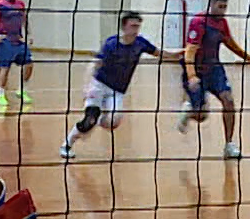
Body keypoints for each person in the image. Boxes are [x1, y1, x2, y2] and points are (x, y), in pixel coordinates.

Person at [61, 11, 174, 161]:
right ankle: (67, 145)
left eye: (138, 26)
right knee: (89, 120)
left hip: (117, 90)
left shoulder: (140, 43)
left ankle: (97, 118)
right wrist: (87, 86)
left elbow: (159, 53)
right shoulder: (111, 44)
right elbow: (95, 64)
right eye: (133, 26)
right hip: (99, 85)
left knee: (113, 123)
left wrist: (178, 55)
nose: (135, 30)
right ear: (124, 27)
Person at [178, 0, 250, 159]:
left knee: (229, 100)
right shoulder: (199, 22)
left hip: (215, 69)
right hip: (197, 70)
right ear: (211, 4)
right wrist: (191, 75)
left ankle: (229, 145)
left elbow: (231, 44)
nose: (223, 10)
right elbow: (190, 52)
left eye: (225, 7)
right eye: (220, 6)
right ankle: (189, 111)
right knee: (202, 116)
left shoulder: (222, 23)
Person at [0, 0, 32, 108]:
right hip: (6, 40)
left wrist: (29, 35)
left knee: (29, 64)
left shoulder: (20, 4)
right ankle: (1, 94)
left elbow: (24, 19)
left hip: (18, 40)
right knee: (5, 68)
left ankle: (22, 90)